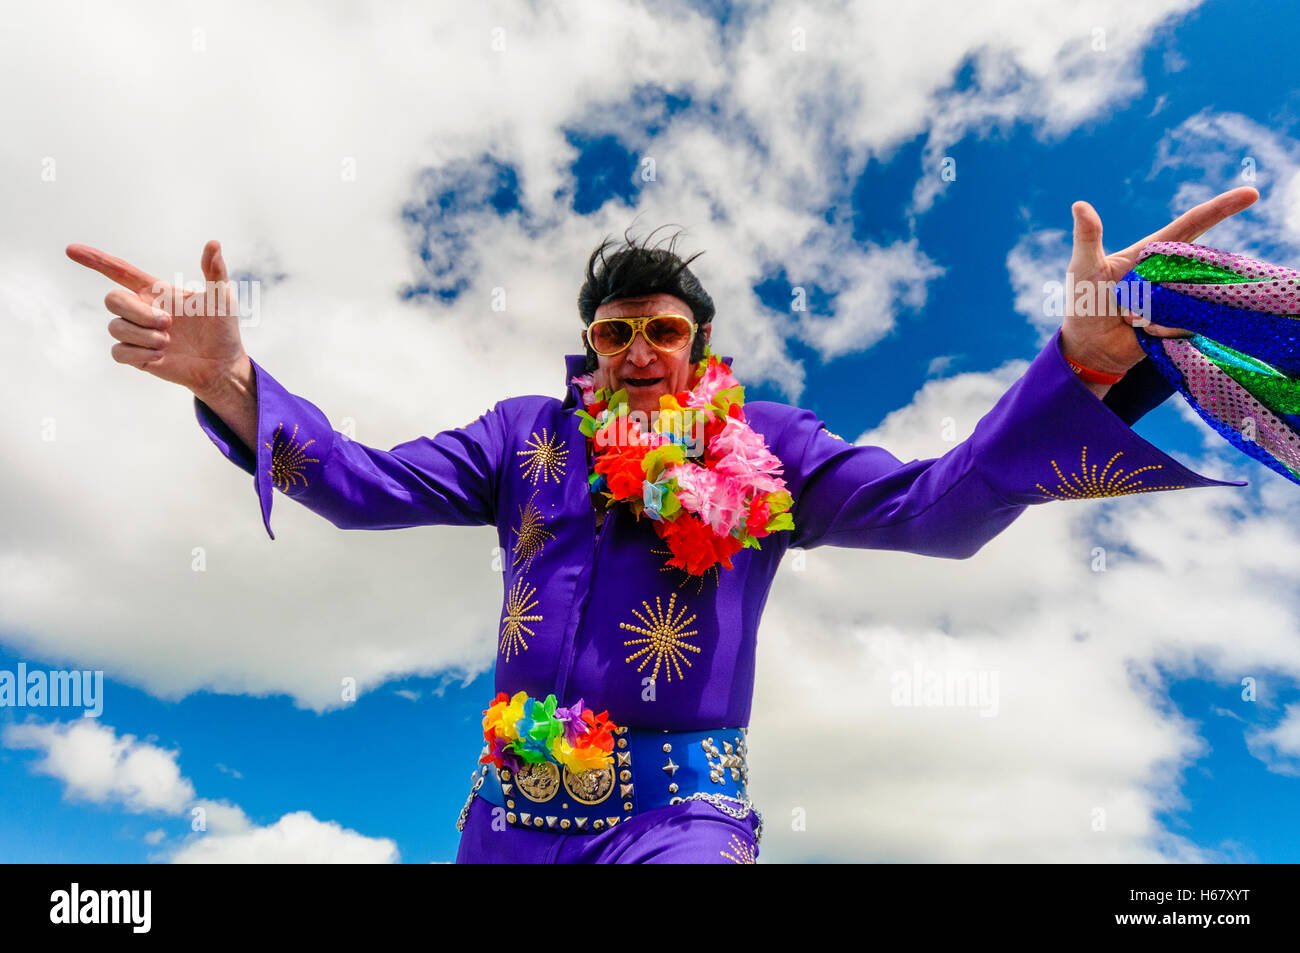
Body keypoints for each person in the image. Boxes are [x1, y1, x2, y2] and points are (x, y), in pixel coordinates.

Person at [66, 189, 1257, 863]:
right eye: (615, 332)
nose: (638, 350)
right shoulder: (521, 438)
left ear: (701, 347)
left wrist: (1080, 368)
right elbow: (355, 482)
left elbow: (934, 512)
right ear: (591, 348)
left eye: (663, 331)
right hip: (507, 816)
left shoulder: (775, 448)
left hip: (678, 818)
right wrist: (232, 382)